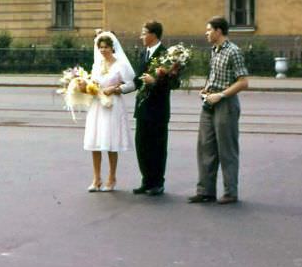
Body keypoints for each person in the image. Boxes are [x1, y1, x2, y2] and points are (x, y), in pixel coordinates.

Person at [189, 16, 249, 205]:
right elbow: (215, 75)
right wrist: (206, 88)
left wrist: (221, 95)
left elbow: (243, 82)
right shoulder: (214, 51)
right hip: (209, 102)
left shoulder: (234, 51)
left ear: (218, 31)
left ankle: (230, 192)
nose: (206, 33)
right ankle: (205, 190)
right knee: (205, 146)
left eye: (208, 30)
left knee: (227, 150)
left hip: (226, 104)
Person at [121, 21, 179, 197]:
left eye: (144, 33)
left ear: (153, 34)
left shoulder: (167, 55)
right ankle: (146, 181)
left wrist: (155, 82)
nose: (141, 36)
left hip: (158, 109)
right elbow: (138, 80)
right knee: (142, 145)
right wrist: (119, 89)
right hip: (143, 109)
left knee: (157, 147)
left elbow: (175, 82)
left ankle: (157, 183)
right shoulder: (144, 53)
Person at [79, 32, 135, 192]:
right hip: (97, 104)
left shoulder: (120, 65)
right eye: (101, 47)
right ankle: (96, 178)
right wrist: (85, 87)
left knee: (111, 142)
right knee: (95, 141)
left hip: (113, 105)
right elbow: (93, 84)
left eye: (106, 47)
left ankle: (112, 177)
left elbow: (131, 85)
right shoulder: (97, 65)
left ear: (112, 48)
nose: (103, 50)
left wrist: (116, 89)